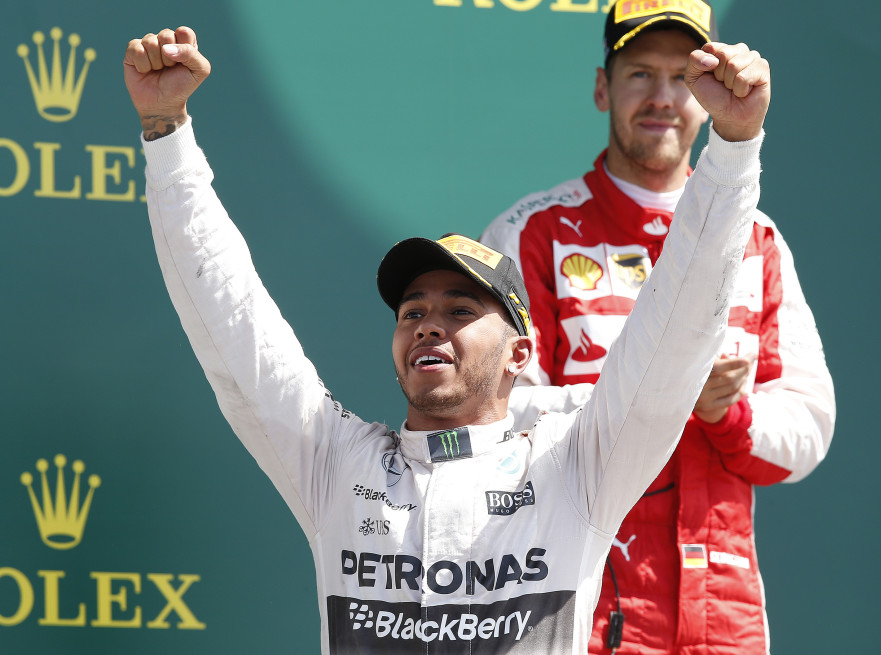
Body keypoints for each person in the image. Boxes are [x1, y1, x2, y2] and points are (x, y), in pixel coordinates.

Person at [124, 23, 771, 654]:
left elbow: (674, 333)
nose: (430, 322)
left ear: (523, 353)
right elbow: (231, 321)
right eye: (412, 311)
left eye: (462, 309)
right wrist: (165, 131)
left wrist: (734, 147)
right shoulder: (336, 464)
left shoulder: (575, 467)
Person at [480, 3, 835, 654]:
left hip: (724, 621)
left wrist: (728, 413)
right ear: (601, 87)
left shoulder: (756, 241)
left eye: (684, 77)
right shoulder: (533, 233)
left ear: (710, 98)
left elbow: (809, 428)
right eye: (641, 73)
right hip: (582, 614)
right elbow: (496, 427)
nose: (663, 97)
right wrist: (653, 398)